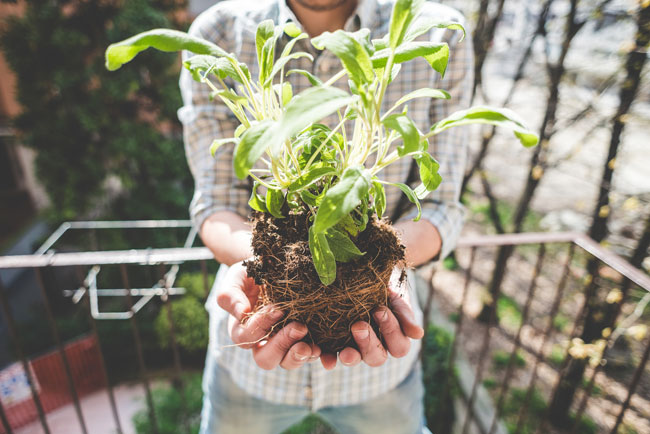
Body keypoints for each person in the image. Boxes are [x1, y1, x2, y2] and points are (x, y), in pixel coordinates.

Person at [177, 0, 473, 432]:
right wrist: (259, 264)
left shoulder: (436, 31)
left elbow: (441, 206)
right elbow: (216, 200)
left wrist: (378, 265)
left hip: (379, 372)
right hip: (249, 366)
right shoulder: (219, 33)